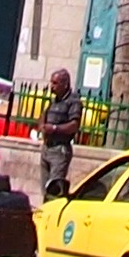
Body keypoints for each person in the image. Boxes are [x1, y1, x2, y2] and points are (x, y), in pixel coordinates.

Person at [37, 67, 79, 203]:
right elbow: (44, 116)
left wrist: (54, 129)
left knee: (54, 189)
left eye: (55, 83)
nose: (52, 87)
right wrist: (42, 125)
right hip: (47, 148)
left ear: (65, 84)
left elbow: (74, 126)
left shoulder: (73, 102)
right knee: (45, 188)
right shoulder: (54, 101)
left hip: (60, 150)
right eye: (51, 83)